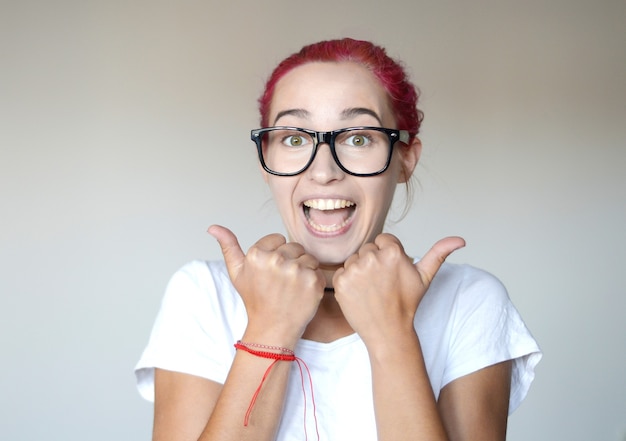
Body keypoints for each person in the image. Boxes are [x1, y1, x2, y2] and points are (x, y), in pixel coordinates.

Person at [135, 38, 541, 441]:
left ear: (405, 159)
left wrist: (391, 335)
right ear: (267, 162)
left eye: (358, 137)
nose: (324, 170)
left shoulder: (469, 301)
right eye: (295, 139)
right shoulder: (203, 295)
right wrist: (270, 327)